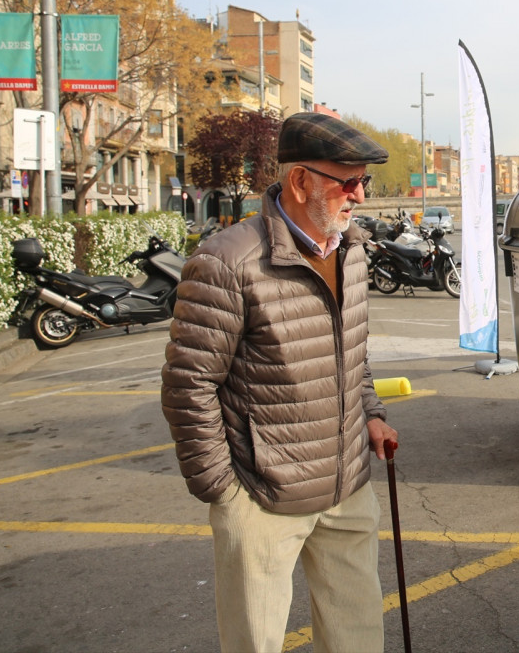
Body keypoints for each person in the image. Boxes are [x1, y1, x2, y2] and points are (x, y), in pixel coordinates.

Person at [161, 112, 398, 653]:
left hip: (346, 484)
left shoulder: (351, 250)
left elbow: (349, 352)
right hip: (262, 492)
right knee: (256, 642)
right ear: (299, 181)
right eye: (349, 182)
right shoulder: (228, 261)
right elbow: (187, 386)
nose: (360, 195)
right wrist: (223, 490)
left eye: (365, 182)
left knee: (359, 636)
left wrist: (373, 414)